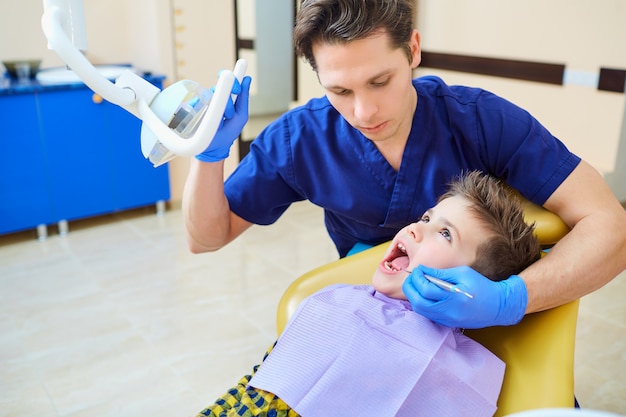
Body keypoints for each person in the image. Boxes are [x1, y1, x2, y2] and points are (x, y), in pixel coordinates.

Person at [182, 0, 626, 330]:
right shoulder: (301, 140)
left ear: (412, 49)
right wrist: (208, 153)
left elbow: (611, 227)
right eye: (339, 91)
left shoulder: (480, 121)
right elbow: (207, 236)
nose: (364, 112)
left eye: (380, 81)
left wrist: (509, 300)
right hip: (377, 320)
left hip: (481, 325)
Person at [195, 171, 542, 417]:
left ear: (471, 282)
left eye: (445, 234)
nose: (417, 229)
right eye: (426, 217)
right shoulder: (341, 299)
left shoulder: (454, 368)